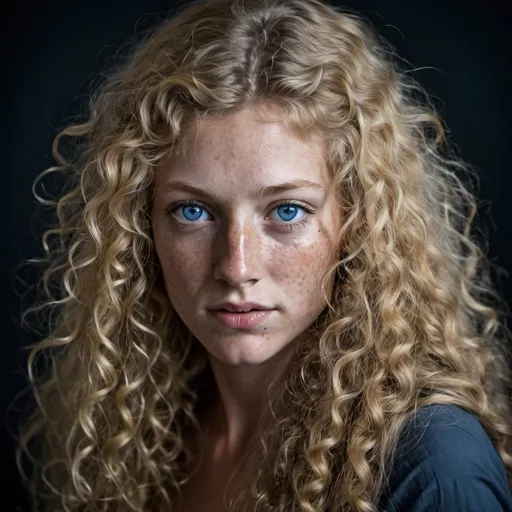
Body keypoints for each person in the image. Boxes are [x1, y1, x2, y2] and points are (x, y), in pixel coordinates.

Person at [16, 0, 512, 510]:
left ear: (358, 221)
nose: (237, 267)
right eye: (192, 212)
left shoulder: (433, 468)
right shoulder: (135, 433)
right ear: (141, 225)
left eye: (288, 211)